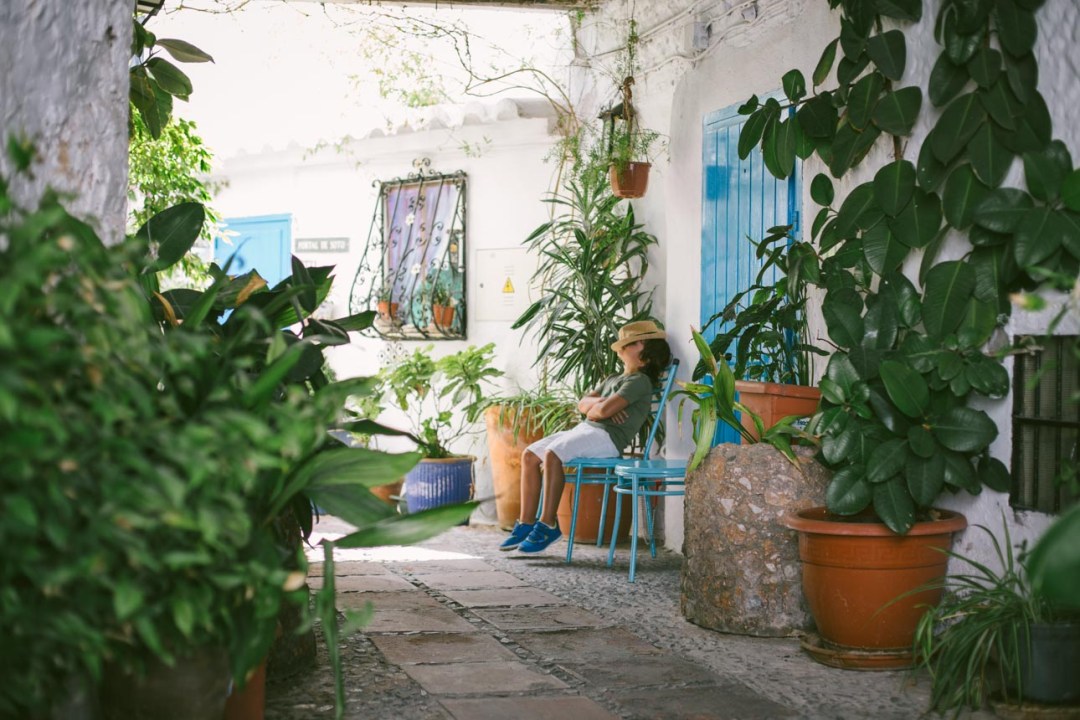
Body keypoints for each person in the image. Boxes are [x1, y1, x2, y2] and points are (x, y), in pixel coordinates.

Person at [500, 320, 673, 554]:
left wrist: (598, 408)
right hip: (586, 430)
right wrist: (601, 405)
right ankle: (526, 523)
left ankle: (548, 525)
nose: (621, 348)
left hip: (607, 438)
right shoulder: (613, 379)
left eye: (628, 343)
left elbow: (599, 412)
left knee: (552, 454)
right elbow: (583, 404)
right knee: (530, 455)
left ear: (643, 348)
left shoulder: (639, 381)